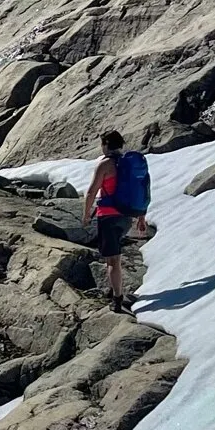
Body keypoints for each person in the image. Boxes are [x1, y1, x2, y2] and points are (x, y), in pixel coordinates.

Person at [83, 127, 140, 310]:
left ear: (106, 144)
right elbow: (139, 189)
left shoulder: (105, 165)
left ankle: (117, 298)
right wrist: (141, 217)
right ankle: (115, 289)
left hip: (108, 216)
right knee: (116, 256)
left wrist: (85, 214)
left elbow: (92, 191)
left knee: (112, 260)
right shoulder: (128, 163)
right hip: (126, 216)